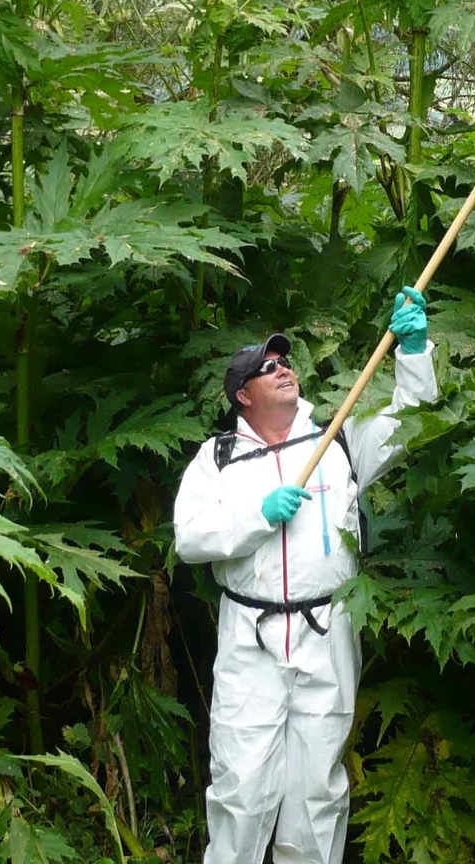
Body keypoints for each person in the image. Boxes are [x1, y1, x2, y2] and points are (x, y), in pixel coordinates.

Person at [174, 287, 437, 864]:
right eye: (267, 368)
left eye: (285, 361)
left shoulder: (337, 441)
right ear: (243, 395)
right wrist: (257, 515)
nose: (283, 369)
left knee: (318, 792)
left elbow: (411, 418)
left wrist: (414, 349)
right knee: (241, 788)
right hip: (250, 639)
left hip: (327, 630)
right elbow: (190, 538)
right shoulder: (216, 459)